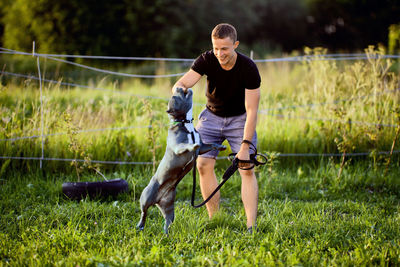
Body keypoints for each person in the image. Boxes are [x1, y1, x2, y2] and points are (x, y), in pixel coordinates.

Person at [172, 23, 261, 232]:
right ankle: (215, 219)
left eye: (225, 49)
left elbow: (252, 110)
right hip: (211, 117)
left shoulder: (248, 68)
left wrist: (245, 147)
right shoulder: (207, 59)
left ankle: (251, 226)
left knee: (246, 168)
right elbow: (182, 83)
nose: (219, 53)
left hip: (240, 119)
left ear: (235, 45)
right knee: (202, 164)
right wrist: (178, 99)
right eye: (216, 48)